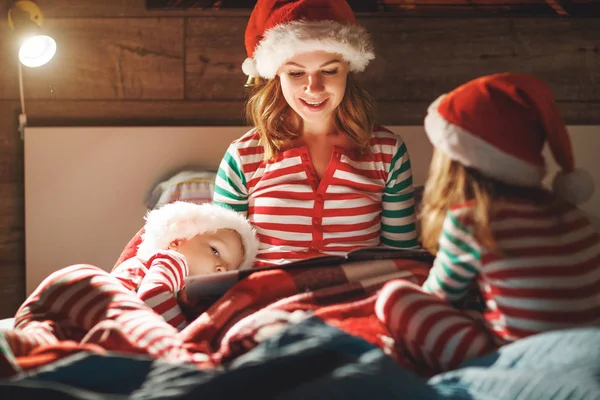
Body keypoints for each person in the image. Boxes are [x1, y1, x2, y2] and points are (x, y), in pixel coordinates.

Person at [375, 72, 600, 374]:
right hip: (584, 354)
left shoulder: (472, 220)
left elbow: (439, 297)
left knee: (395, 296)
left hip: (521, 365)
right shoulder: (572, 215)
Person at [213, 0, 419, 267]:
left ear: (348, 69)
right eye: (296, 73)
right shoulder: (242, 157)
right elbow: (222, 266)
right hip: (268, 300)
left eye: (329, 70)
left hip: (358, 298)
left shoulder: (388, 153)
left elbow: (402, 259)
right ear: (277, 75)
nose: (314, 88)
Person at [1, 201, 259, 363]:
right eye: (215, 251)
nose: (219, 267)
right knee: (158, 344)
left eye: (226, 267)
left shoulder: (181, 290)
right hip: (86, 284)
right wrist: (183, 342)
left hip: (59, 311)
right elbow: (153, 296)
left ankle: (11, 345)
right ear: (179, 240)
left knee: (43, 352)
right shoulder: (172, 259)